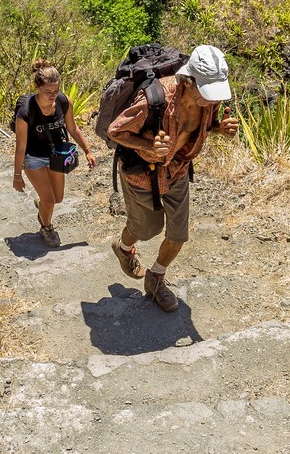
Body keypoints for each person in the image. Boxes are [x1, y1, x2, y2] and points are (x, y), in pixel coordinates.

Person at [107, 44, 238, 312]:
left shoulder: (208, 102)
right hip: (142, 174)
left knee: (178, 234)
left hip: (177, 170)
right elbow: (115, 131)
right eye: (206, 92)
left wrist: (218, 128)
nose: (212, 100)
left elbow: (199, 128)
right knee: (146, 229)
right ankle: (123, 247)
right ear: (188, 81)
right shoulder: (156, 98)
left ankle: (156, 278)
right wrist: (148, 145)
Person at [12, 61, 96, 246]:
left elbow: (73, 128)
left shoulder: (64, 101)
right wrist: (17, 175)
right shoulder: (26, 111)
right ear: (37, 87)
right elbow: (20, 147)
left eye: (55, 91)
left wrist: (88, 151)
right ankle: (47, 228)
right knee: (50, 200)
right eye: (47, 92)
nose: (52, 96)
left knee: (58, 198)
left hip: (57, 156)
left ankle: (43, 203)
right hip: (33, 158)